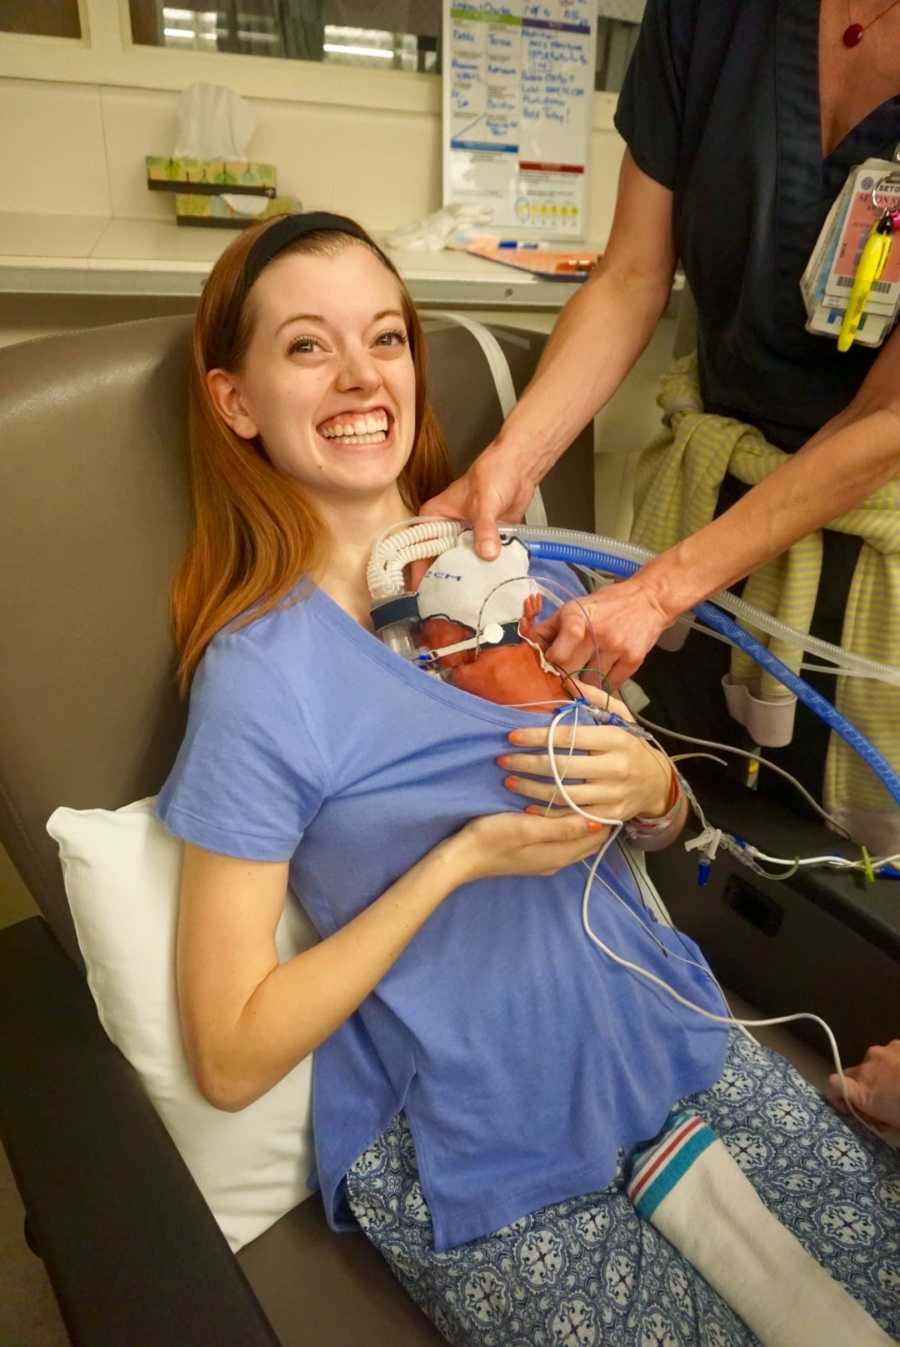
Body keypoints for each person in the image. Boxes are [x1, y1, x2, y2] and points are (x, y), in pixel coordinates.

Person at [156, 211, 899, 1346]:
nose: (361, 376)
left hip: (669, 1038)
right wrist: (460, 862)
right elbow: (231, 1051)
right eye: (308, 346)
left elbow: (662, 834)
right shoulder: (263, 680)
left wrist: (653, 791)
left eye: (387, 339)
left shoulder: (518, 576)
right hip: (486, 1142)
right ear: (236, 401)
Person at [420, 0, 900, 846]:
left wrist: (659, 590)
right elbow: (632, 276)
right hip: (710, 497)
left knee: (838, 884)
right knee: (683, 824)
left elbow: (886, 418)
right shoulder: (711, 16)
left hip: (871, 545)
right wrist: (513, 461)